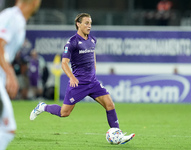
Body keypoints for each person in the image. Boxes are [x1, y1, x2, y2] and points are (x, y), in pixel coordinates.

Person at [30, 13, 135, 144]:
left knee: (110, 104)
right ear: (78, 24)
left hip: (93, 82)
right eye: (86, 23)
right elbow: (64, 63)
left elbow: (93, 54)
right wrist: (72, 77)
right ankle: (42, 107)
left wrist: (94, 70)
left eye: (90, 23)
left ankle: (118, 134)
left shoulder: (92, 40)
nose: (89, 26)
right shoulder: (72, 42)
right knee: (64, 113)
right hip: (78, 83)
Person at [0, 0, 42, 149]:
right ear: (35, 2)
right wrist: (10, 73)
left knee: (6, 129)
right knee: (7, 129)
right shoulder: (13, 17)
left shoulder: (18, 20)